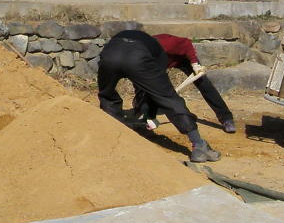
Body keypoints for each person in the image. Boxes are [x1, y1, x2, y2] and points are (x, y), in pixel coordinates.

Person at [97, 29, 220, 162]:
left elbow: (141, 88)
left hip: (109, 55)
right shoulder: (159, 53)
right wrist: (150, 115)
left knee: (107, 96)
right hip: (138, 56)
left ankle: (116, 133)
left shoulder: (145, 40)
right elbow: (157, 92)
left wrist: (148, 115)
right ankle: (199, 145)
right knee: (169, 99)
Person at [146, 34, 236, 133]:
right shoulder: (139, 58)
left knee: (204, 85)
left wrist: (194, 63)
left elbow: (186, 43)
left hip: (184, 58)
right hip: (164, 63)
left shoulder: (165, 43)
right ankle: (146, 116)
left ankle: (226, 118)